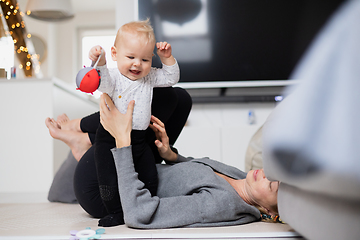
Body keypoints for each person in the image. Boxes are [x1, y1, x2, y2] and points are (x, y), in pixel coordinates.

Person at [46, 87, 192, 227]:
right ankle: (86, 139)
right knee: (181, 98)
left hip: (105, 196)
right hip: (125, 177)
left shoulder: (211, 200)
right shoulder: (213, 174)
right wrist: (169, 155)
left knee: (165, 96)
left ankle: (83, 134)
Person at [85, 19, 179, 226]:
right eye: (131, 57)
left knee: (149, 177)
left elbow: (171, 78)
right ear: (115, 54)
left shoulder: (150, 77)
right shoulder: (115, 76)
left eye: (145, 59)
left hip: (139, 139)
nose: (137, 64)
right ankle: (116, 212)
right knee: (108, 180)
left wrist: (167, 58)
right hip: (109, 139)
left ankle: (145, 207)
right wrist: (99, 62)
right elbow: (103, 83)